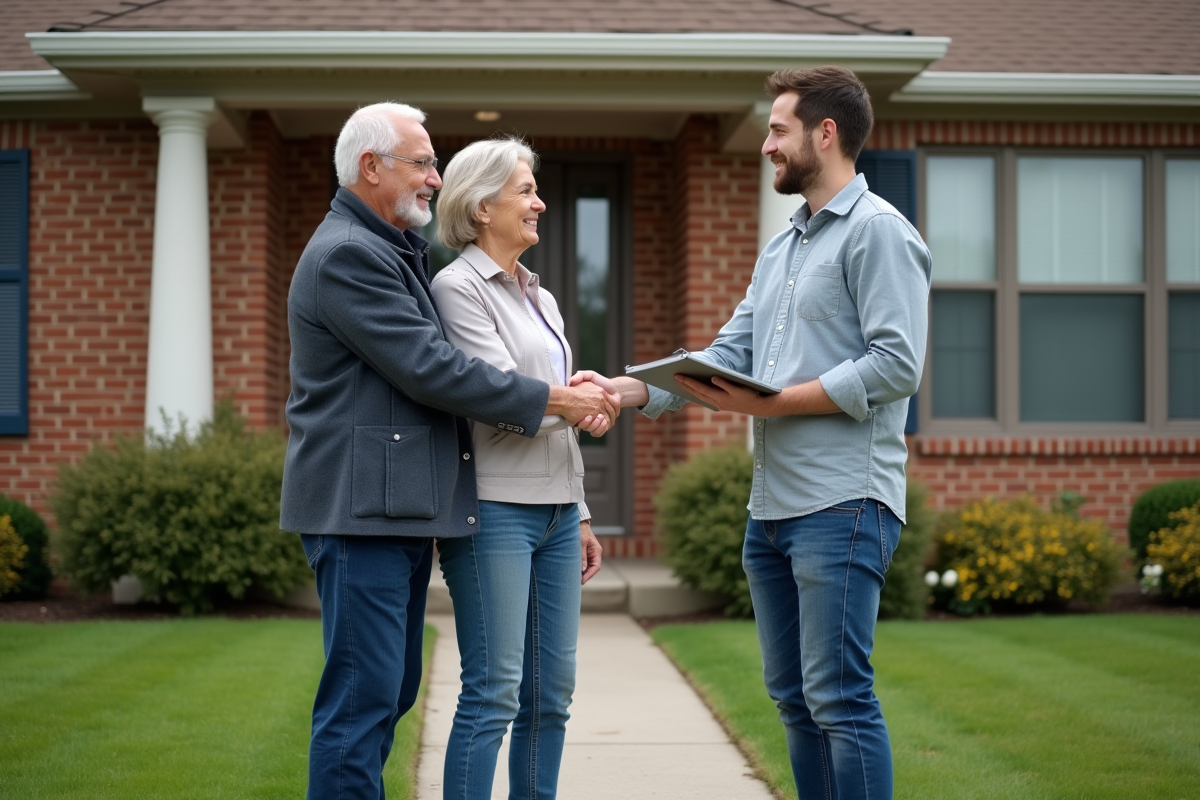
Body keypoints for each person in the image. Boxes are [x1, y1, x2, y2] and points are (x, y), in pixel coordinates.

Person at [575, 66, 931, 800]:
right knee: (796, 702)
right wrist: (631, 388)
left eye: (777, 129)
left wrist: (777, 407)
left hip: (844, 504)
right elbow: (730, 355)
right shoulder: (783, 248)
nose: (767, 144)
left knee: (839, 699)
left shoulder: (879, 234)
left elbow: (897, 365)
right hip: (771, 513)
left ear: (823, 134)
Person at [280, 102, 618, 800]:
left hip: (394, 508)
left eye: (436, 164)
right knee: (360, 702)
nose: (436, 176)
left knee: (388, 692)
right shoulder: (350, 253)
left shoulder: (388, 247)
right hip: (358, 508)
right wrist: (560, 400)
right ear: (370, 166)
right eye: (424, 162)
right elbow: (432, 369)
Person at [428, 136, 601, 800]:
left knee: (550, 695)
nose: (540, 203)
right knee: (495, 693)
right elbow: (496, 395)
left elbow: (559, 415)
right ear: (479, 207)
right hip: (495, 512)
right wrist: (578, 404)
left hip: (558, 515)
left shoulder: (542, 298)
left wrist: (581, 511)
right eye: (525, 191)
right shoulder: (457, 288)